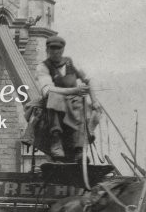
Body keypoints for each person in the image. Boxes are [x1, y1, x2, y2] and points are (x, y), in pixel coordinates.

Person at [35, 35, 101, 163]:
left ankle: (79, 150)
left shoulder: (71, 63)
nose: (55, 52)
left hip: (73, 101)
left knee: (82, 105)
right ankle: (56, 142)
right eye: (52, 49)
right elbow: (47, 90)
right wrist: (75, 91)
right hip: (53, 102)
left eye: (58, 49)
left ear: (63, 50)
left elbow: (88, 79)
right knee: (54, 98)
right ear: (47, 50)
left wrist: (94, 101)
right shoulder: (43, 67)